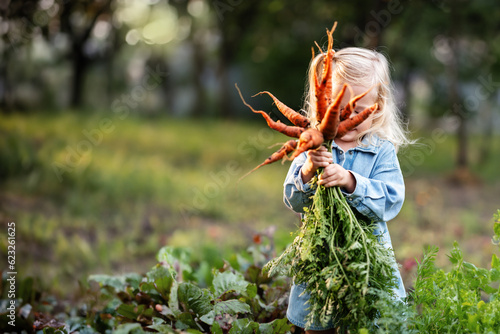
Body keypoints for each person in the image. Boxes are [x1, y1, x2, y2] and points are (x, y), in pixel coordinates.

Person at [283, 47, 413, 334]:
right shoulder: (313, 145)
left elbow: (391, 200)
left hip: (367, 259)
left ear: (377, 107)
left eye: (359, 110)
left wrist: (351, 181)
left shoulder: (381, 151)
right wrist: (307, 171)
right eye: (340, 110)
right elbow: (293, 200)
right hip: (321, 256)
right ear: (323, 104)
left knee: (370, 320)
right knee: (318, 319)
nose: (348, 118)